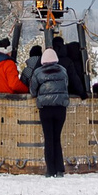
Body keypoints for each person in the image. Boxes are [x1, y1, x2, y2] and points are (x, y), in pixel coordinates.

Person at [30, 46, 74, 177]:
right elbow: (66, 84)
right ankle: (60, 169)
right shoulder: (63, 71)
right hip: (60, 108)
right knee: (57, 138)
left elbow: (32, 90)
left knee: (48, 139)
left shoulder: (38, 72)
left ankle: (50, 169)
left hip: (46, 108)